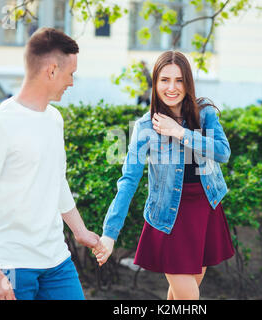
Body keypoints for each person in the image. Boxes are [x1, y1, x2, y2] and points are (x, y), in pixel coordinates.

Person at [0, 28, 102, 300]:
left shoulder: (55, 119)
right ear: (51, 70)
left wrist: (80, 231)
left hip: (57, 261)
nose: (72, 82)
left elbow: (56, 181)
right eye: (70, 73)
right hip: (11, 266)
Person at [94, 51, 235, 300]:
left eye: (179, 80)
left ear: (188, 82)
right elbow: (128, 180)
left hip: (205, 209)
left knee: (182, 294)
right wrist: (109, 233)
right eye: (164, 80)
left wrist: (180, 132)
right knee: (189, 298)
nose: (172, 88)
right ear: (155, 83)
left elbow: (223, 152)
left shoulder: (205, 114)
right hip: (168, 216)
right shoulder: (145, 127)